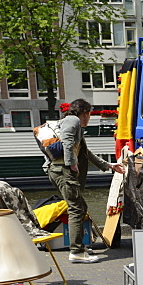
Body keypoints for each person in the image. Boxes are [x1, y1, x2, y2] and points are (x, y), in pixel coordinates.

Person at [46, 99, 124, 263]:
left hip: (61, 170)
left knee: (80, 207)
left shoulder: (74, 125)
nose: (89, 118)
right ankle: (76, 251)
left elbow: (86, 152)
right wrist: (72, 164)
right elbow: (67, 141)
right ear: (86, 113)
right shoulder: (72, 120)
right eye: (89, 115)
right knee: (76, 209)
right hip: (63, 171)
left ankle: (79, 246)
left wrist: (109, 165)